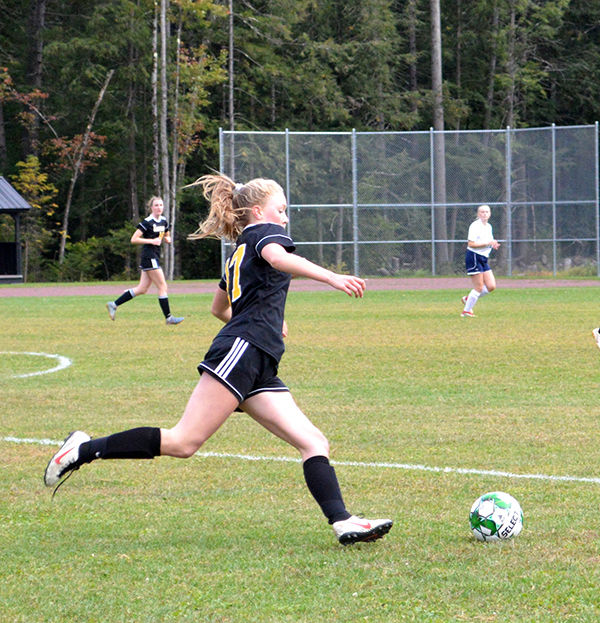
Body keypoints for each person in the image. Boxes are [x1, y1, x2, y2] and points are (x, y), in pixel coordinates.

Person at [45, 174, 393, 546]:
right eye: (282, 209)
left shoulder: (240, 250)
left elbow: (218, 308)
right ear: (259, 212)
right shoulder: (264, 235)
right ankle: (83, 449)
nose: (285, 218)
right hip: (242, 352)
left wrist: (267, 324)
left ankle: (343, 522)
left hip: (257, 356)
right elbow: (277, 259)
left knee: (313, 441)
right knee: (183, 442)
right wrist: (331, 277)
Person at [106, 196, 184, 325]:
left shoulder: (163, 221)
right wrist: (151, 241)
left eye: (161, 205)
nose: (159, 207)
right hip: (149, 257)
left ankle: (113, 304)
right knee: (162, 286)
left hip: (155, 256)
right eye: (156, 205)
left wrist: (167, 238)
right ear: (151, 207)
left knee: (142, 289)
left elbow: (166, 232)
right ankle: (169, 318)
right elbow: (134, 239)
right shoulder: (147, 222)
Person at [461, 204, 500, 317]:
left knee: (491, 286)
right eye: (482, 212)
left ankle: (469, 299)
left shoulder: (488, 226)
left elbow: (488, 240)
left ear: (490, 214)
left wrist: (493, 244)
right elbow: (471, 244)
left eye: (487, 212)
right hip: (474, 257)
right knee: (478, 286)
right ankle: (466, 311)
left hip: (483, 258)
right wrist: (487, 243)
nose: (485, 214)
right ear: (478, 214)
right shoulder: (475, 226)